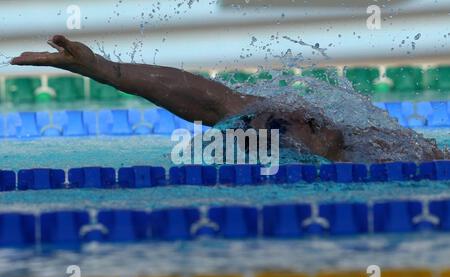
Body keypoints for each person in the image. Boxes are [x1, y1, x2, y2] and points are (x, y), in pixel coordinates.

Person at [12, 35, 445, 163]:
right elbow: (206, 104)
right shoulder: (377, 162)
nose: (297, 110)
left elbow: (214, 100)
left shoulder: (371, 145)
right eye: (282, 124)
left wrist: (109, 70)